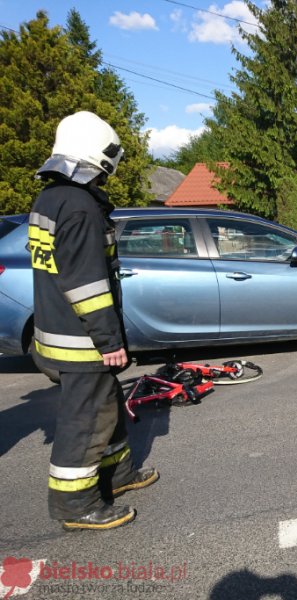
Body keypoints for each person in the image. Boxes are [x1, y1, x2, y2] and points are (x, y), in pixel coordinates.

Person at [30, 111, 158, 531]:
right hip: (82, 339)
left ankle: (118, 475)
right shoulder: (80, 207)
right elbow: (86, 284)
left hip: (61, 331)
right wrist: (109, 340)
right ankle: (76, 506)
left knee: (108, 408)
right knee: (84, 420)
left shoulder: (50, 199)